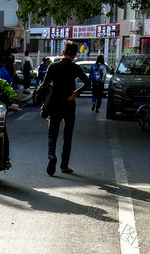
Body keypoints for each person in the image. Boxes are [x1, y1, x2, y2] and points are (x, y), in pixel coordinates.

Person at [38, 41, 89, 175]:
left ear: (63, 53)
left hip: (54, 103)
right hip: (69, 103)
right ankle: (64, 165)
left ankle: (51, 156)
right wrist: (76, 93)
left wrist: (46, 98)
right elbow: (87, 83)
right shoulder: (75, 67)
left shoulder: (53, 66)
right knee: (68, 136)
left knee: (52, 134)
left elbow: (44, 85)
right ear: (75, 55)